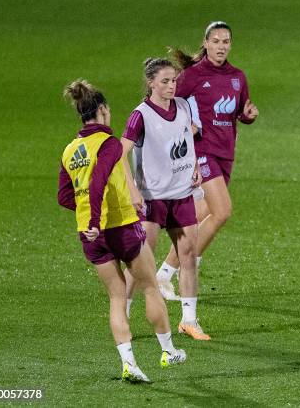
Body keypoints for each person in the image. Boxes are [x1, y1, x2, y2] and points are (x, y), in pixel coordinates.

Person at [58, 80, 186, 383]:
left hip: (90, 236)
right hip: (119, 227)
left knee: (117, 297)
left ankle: (129, 363)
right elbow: (99, 181)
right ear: (102, 110)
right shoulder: (110, 142)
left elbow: (65, 196)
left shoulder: (70, 150)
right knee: (150, 286)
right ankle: (168, 351)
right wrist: (96, 221)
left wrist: (87, 221)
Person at [153, 21, 259, 298]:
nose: (221, 46)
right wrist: (176, 129)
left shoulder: (238, 77)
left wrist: (248, 116)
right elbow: (165, 101)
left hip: (226, 153)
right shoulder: (193, 75)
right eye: (216, 41)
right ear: (206, 43)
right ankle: (186, 264)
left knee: (202, 213)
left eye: (226, 41)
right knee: (222, 211)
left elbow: (240, 112)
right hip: (202, 152)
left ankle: (163, 274)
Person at [122, 57, 210, 340]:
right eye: (165, 81)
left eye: (173, 80)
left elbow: (188, 139)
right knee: (141, 262)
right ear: (151, 83)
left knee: (188, 256)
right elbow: (118, 154)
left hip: (182, 194)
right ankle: (121, 314)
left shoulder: (183, 106)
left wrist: (195, 165)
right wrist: (133, 190)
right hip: (152, 199)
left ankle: (189, 320)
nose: (172, 86)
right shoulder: (141, 115)